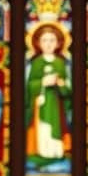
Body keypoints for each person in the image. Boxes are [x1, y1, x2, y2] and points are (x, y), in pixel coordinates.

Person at [25, 26, 72, 167]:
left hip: (56, 104)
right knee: (42, 128)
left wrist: (60, 83)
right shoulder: (36, 62)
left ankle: (56, 153)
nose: (48, 44)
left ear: (58, 43)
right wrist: (43, 82)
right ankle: (41, 152)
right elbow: (29, 85)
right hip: (40, 103)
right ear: (38, 43)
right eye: (44, 40)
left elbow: (67, 89)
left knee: (55, 127)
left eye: (52, 40)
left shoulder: (60, 63)